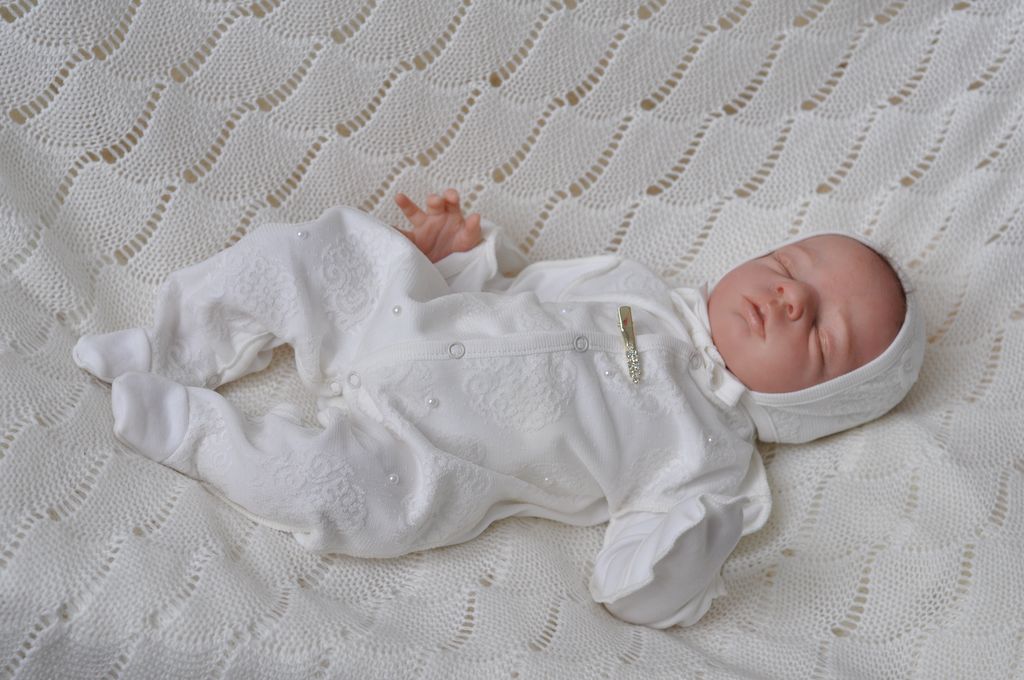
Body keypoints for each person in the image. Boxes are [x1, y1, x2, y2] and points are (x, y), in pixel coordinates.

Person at [72, 189, 925, 628]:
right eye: (790, 265)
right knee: (316, 253)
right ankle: (172, 345)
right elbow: (526, 293)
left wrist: (686, 556)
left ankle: (190, 431)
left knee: (327, 489)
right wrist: (454, 262)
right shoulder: (635, 287)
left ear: (816, 405)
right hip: (405, 319)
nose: (789, 298)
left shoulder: (711, 464)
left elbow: (629, 588)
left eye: (824, 335)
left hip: (425, 457)